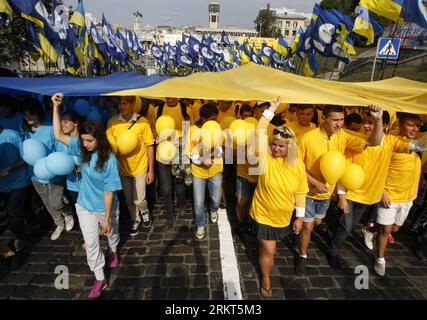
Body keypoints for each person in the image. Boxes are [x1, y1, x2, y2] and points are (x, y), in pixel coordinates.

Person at [296, 104, 384, 275]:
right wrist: (314, 182)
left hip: (327, 194)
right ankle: (302, 255)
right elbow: (297, 166)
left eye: (342, 120)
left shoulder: (343, 136)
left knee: (316, 223)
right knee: (307, 227)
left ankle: (302, 235)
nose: (339, 124)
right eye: (335, 120)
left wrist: (378, 119)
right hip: (307, 191)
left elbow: (374, 142)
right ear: (323, 119)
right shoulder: (306, 138)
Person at [52, 93, 122, 299]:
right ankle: (100, 278)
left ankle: (114, 249)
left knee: (111, 232)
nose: (84, 144)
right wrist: (55, 107)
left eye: (89, 140)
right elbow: (58, 135)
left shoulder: (109, 160)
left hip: (106, 206)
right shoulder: (81, 147)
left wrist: (107, 219)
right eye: (82, 140)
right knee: (91, 244)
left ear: (99, 139)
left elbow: (110, 192)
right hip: (84, 206)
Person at [249, 97, 308, 298]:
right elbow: (258, 131)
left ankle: (266, 264)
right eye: (274, 145)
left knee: (271, 250)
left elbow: (301, 191)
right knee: (270, 251)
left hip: (283, 218)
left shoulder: (298, 166)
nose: (276, 149)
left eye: (281, 146)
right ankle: (266, 279)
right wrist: (271, 110)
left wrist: (299, 217)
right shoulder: (265, 157)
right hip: (263, 213)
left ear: (290, 147)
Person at [374, 113, 422, 275]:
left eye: (417, 125)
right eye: (410, 125)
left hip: (408, 197)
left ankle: (371, 229)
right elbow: (377, 169)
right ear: (400, 125)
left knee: (394, 229)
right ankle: (380, 259)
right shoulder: (390, 141)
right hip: (390, 196)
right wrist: (382, 191)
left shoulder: (418, 140)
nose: (414, 129)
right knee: (386, 231)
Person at [22, 98, 74, 241]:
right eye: (25, 114)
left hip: (53, 172)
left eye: (31, 114)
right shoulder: (25, 130)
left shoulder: (51, 128)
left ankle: (68, 212)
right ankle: (59, 223)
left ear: (38, 113)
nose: (28, 118)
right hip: (35, 174)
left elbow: (61, 148)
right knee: (46, 202)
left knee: (55, 202)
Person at [106, 96, 154, 236]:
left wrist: (151, 170)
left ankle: (145, 213)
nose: (121, 106)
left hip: (140, 166)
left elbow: (149, 146)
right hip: (122, 168)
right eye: (120, 103)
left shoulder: (142, 122)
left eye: (125, 103)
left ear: (133, 104)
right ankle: (135, 218)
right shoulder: (112, 122)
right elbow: (109, 146)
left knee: (139, 199)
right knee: (128, 198)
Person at [189, 103, 223, 240]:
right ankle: (200, 224)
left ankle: (214, 209)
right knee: (198, 201)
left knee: (216, 199)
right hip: (198, 172)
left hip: (215, 170)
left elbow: (220, 150)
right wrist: (204, 160)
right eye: (212, 120)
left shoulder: (217, 129)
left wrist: (215, 154)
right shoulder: (192, 130)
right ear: (203, 118)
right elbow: (190, 153)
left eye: (216, 119)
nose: (215, 122)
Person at [0, 125, 32, 253]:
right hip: (2, 183)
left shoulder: (13, 135)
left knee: (13, 211)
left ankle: (19, 238)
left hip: (18, 180)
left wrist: (11, 168)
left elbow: (27, 157)